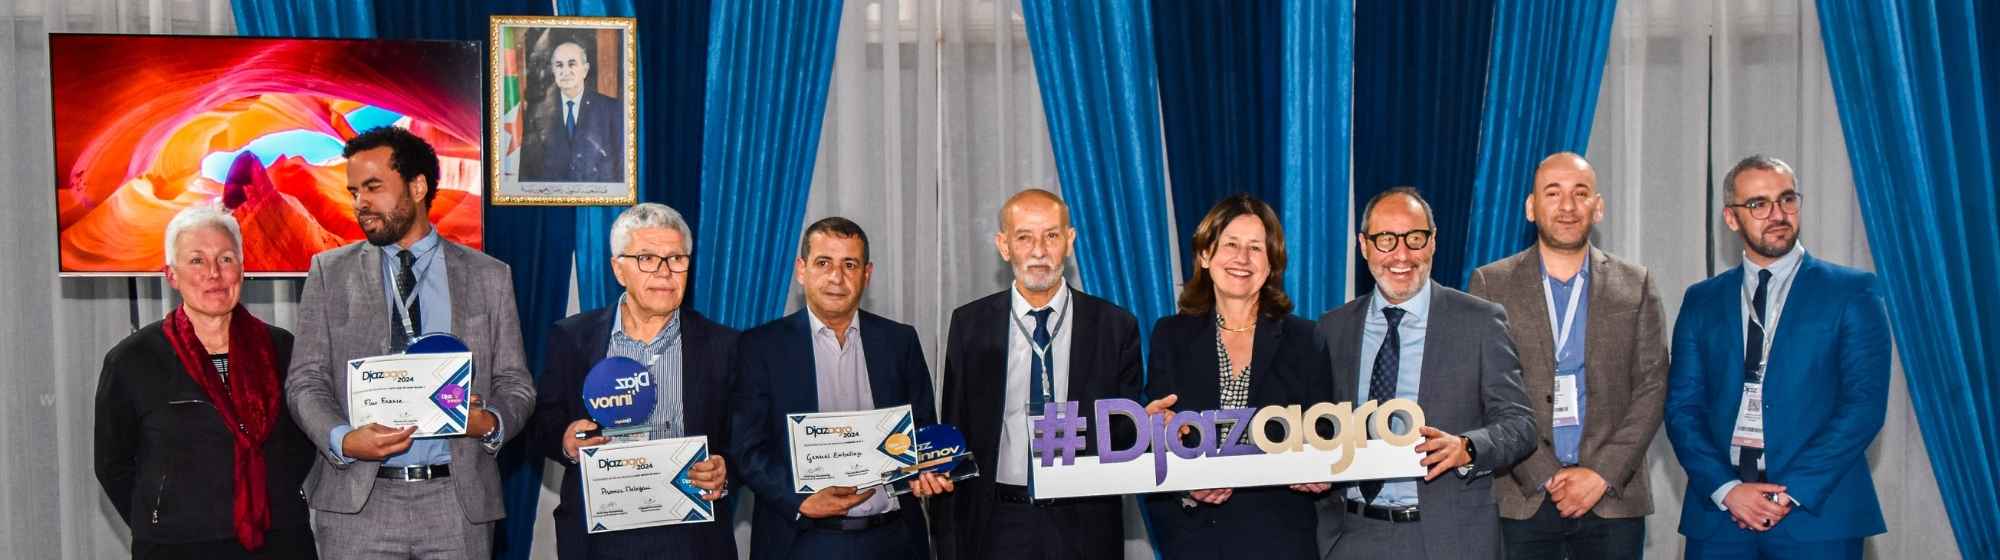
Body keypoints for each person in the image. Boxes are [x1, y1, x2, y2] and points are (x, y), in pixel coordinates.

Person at [285, 126, 537, 559]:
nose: (360, 203)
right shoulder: (329, 272)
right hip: (358, 503)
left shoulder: (489, 276)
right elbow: (305, 381)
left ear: (417, 187)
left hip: (456, 503)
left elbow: (516, 384)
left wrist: (490, 422)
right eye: (353, 191)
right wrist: (343, 439)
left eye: (373, 187)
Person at [1665, 155, 1889, 559]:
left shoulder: (1852, 292)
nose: (1777, 214)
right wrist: (1727, 489)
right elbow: (1682, 408)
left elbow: (1863, 408)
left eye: (1787, 200)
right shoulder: (1701, 300)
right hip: (1720, 519)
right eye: (1759, 204)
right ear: (1731, 218)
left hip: (1819, 516)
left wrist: (1791, 494)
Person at [1314, 186, 1536, 560]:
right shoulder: (1332, 329)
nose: (1401, 254)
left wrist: (1468, 447)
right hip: (1350, 537)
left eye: (1414, 239)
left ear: (1432, 243)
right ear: (1364, 246)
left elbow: (1520, 424)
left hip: (1447, 539)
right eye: (1385, 240)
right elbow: (1313, 425)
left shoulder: (1480, 322)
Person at [930, 189, 1152, 560]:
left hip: (1085, 524)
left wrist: (1150, 426)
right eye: (1024, 237)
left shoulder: (1115, 327)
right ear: (1004, 246)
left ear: (1069, 241)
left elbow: (1122, 432)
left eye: (1051, 235)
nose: (1038, 251)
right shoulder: (970, 325)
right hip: (998, 522)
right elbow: (956, 430)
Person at [1467, 153, 1668, 558]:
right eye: (1553, 193)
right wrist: (1545, 474)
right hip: (1524, 496)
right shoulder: (1491, 283)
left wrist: (1601, 474)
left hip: (1612, 496)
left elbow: (1653, 386)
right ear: (1530, 207)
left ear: (1599, 206)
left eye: (1580, 193)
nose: (1568, 206)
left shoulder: (1636, 283)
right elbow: (1484, 388)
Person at [93, 203, 317, 559]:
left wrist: (271, 493)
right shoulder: (132, 360)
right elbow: (112, 464)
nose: (214, 273)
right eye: (197, 260)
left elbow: (305, 440)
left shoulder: (282, 348)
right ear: (171, 275)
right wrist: (162, 517)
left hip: (279, 539)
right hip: (176, 545)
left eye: (226, 259)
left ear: (242, 270)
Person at [729, 217, 954, 560]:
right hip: (802, 541)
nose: (837, 277)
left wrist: (928, 469)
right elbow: (747, 451)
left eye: (850, 264)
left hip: (893, 540)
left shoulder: (900, 341)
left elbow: (922, 431)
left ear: (867, 274)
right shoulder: (760, 347)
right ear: (801, 270)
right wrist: (801, 500)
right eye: (824, 263)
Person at [530, 203, 735, 559]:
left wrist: (725, 467)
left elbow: (744, 438)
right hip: (600, 537)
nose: (664, 272)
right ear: (618, 269)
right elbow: (542, 423)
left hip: (692, 538)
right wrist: (565, 440)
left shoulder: (725, 344)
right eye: (647, 258)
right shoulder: (572, 337)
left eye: (676, 259)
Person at [1143, 193, 1336, 559]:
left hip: (1280, 540)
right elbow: (1162, 436)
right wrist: (1179, 473)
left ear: (1271, 264)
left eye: (1255, 248)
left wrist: (1318, 469)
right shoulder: (1169, 335)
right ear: (1205, 255)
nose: (1242, 259)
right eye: (1230, 244)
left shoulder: (1306, 339)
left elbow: (1324, 432)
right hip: (1195, 539)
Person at [521, 38, 624, 183]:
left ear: (585, 70)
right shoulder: (537, 113)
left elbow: (621, 169)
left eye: (572, 64)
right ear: (553, 70)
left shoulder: (612, 110)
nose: (565, 72)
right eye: (559, 65)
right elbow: (529, 173)